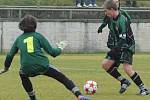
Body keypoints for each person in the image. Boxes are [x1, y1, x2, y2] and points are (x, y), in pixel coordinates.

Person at [0, 15, 91, 100]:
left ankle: (32, 98)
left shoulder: (19, 39)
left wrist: (6, 68)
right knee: (62, 78)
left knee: (22, 74)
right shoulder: (38, 36)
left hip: (26, 68)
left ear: (21, 26)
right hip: (42, 65)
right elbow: (53, 53)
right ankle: (79, 95)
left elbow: (9, 55)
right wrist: (60, 47)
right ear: (35, 25)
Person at [100, 0, 149, 95]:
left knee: (127, 68)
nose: (105, 13)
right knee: (105, 64)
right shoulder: (112, 18)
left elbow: (123, 38)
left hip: (127, 46)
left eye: (106, 11)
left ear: (111, 10)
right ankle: (124, 81)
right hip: (119, 46)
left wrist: (115, 51)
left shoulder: (122, 19)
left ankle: (144, 89)